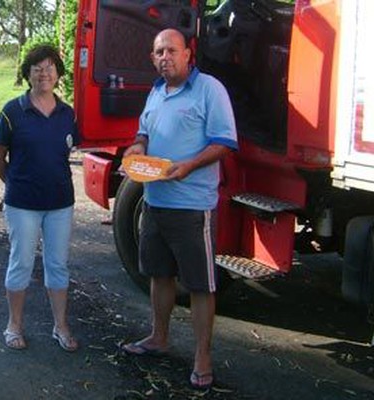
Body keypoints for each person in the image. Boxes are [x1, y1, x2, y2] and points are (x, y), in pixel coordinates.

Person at [120, 28, 238, 390]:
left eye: (171, 50)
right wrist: (137, 148)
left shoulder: (210, 90)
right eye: (158, 52)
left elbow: (224, 143)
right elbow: (144, 133)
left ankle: (202, 356)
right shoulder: (156, 91)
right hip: (155, 201)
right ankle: (159, 336)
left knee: (200, 285)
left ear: (189, 53)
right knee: (158, 275)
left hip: (191, 207)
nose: (164, 57)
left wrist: (187, 166)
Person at [0, 44, 80, 352]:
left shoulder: (68, 114)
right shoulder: (12, 110)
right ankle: (13, 325)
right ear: (28, 74)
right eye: (37, 68)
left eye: (49, 68)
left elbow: (68, 152)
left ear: (58, 73)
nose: (44, 73)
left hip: (60, 204)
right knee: (21, 263)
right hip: (22, 204)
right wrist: (14, 183)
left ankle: (61, 326)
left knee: (58, 265)